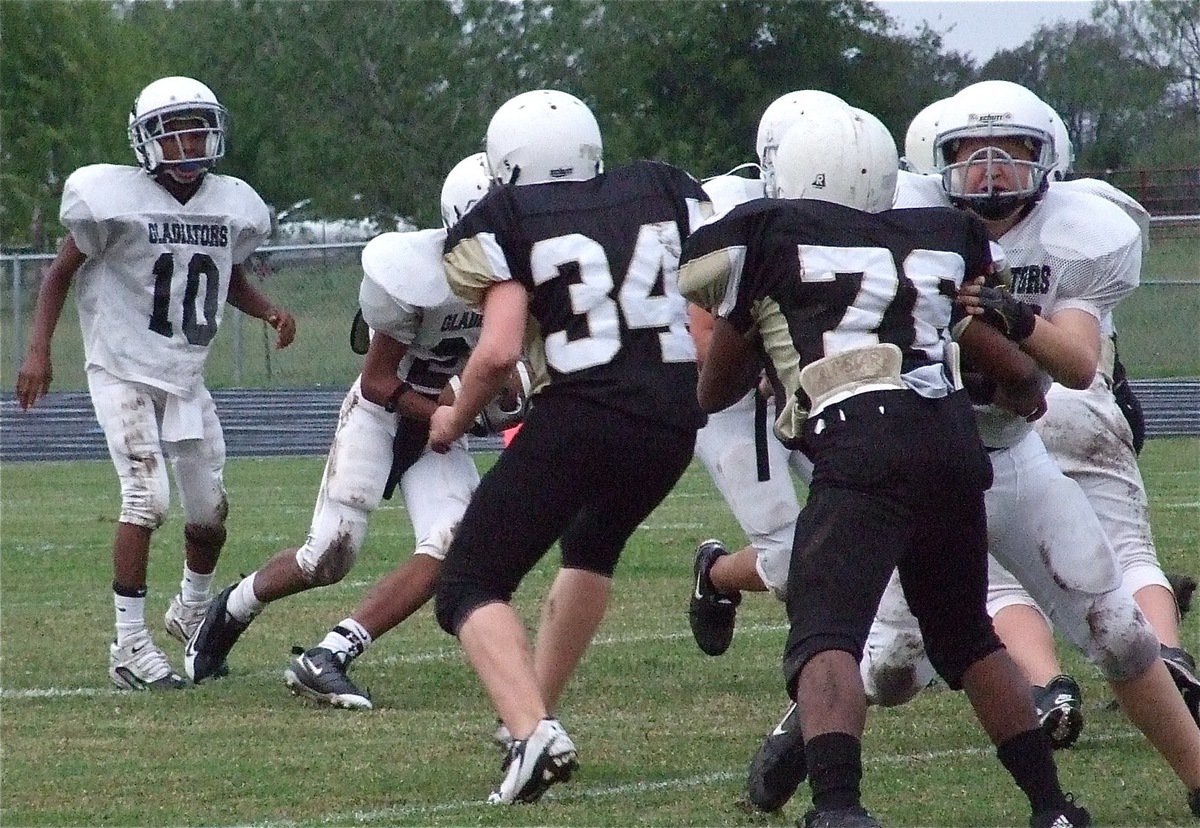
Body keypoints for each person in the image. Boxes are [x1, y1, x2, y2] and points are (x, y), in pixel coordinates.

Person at [679, 97, 1085, 828]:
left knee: (826, 635)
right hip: (949, 440)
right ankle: (1052, 809)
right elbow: (1016, 375)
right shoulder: (938, 238)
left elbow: (714, 388)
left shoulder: (766, 238)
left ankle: (839, 808)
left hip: (862, 444)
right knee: (967, 635)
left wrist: (765, 346)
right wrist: (1024, 393)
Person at [850, 79, 1200, 820]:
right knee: (886, 670)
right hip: (910, 459)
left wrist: (1009, 315)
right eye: (970, 155)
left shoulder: (1081, 231)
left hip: (1011, 453)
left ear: (1047, 158)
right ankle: (804, 734)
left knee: (1119, 630)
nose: (988, 170)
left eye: (1009, 153)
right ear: (933, 161)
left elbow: (1075, 365)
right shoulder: (900, 217)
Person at [428, 88, 712, 805]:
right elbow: (707, 311)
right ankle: (533, 716)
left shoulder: (508, 214)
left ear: (505, 163)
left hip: (585, 409)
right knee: (593, 543)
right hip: (673, 413)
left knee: (468, 581)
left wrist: (452, 421)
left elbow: (495, 354)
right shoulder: (659, 186)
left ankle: (531, 734)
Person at [182, 153, 527, 703]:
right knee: (326, 557)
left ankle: (330, 654)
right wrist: (445, 410)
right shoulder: (417, 274)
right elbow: (376, 381)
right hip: (381, 416)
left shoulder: (522, 281)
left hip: (443, 422)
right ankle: (231, 608)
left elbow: (506, 375)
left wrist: (500, 397)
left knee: (450, 546)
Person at [14, 76, 295, 691]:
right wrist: (38, 350)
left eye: (199, 128)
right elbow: (58, 274)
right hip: (120, 366)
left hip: (183, 376)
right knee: (147, 498)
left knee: (210, 514)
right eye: (177, 131)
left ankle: (190, 612)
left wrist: (268, 308)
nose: (191, 142)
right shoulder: (111, 199)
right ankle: (129, 646)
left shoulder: (231, 204)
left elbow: (223, 277)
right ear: (148, 140)